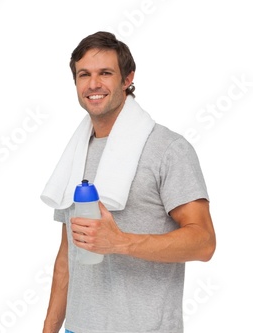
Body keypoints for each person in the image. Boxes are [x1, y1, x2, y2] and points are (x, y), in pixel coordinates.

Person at [40, 31, 216, 333]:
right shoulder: (76, 153)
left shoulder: (167, 149)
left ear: (127, 79)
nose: (93, 84)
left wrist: (119, 242)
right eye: (84, 74)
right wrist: (49, 329)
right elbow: (66, 256)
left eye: (105, 73)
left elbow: (204, 243)